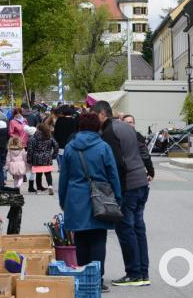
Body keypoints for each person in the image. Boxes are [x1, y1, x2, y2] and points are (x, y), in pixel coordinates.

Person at [58, 112, 121, 293]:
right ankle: (97, 279)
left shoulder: (70, 148)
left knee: (80, 239)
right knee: (98, 239)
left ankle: (83, 276)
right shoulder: (103, 147)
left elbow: (64, 178)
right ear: (97, 127)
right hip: (100, 197)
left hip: (76, 198)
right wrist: (117, 198)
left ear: (79, 126)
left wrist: (64, 201)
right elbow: (113, 175)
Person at [92, 101, 150, 287]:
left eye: (95, 115)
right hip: (140, 181)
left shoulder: (109, 132)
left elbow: (117, 164)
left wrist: (117, 192)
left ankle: (133, 273)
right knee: (138, 228)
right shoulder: (125, 127)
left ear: (102, 113)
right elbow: (140, 150)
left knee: (125, 228)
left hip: (129, 184)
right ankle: (142, 272)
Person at [27, 122, 59, 195]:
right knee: (48, 173)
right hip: (47, 157)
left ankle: (38, 190)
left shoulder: (34, 137)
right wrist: (54, 155)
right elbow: (56, 145)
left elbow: (30, 148)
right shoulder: (49, 136)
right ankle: (50, 186)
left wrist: (29, 158)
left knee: (39, 174)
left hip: (37, 157)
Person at [122, 114, 155, 183]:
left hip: (136, 174)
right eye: (126, 123)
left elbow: (145, 156)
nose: (129, 124)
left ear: (134, 124)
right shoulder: (118, 137)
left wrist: (150, 172)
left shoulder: (138, 137)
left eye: (131, 122)